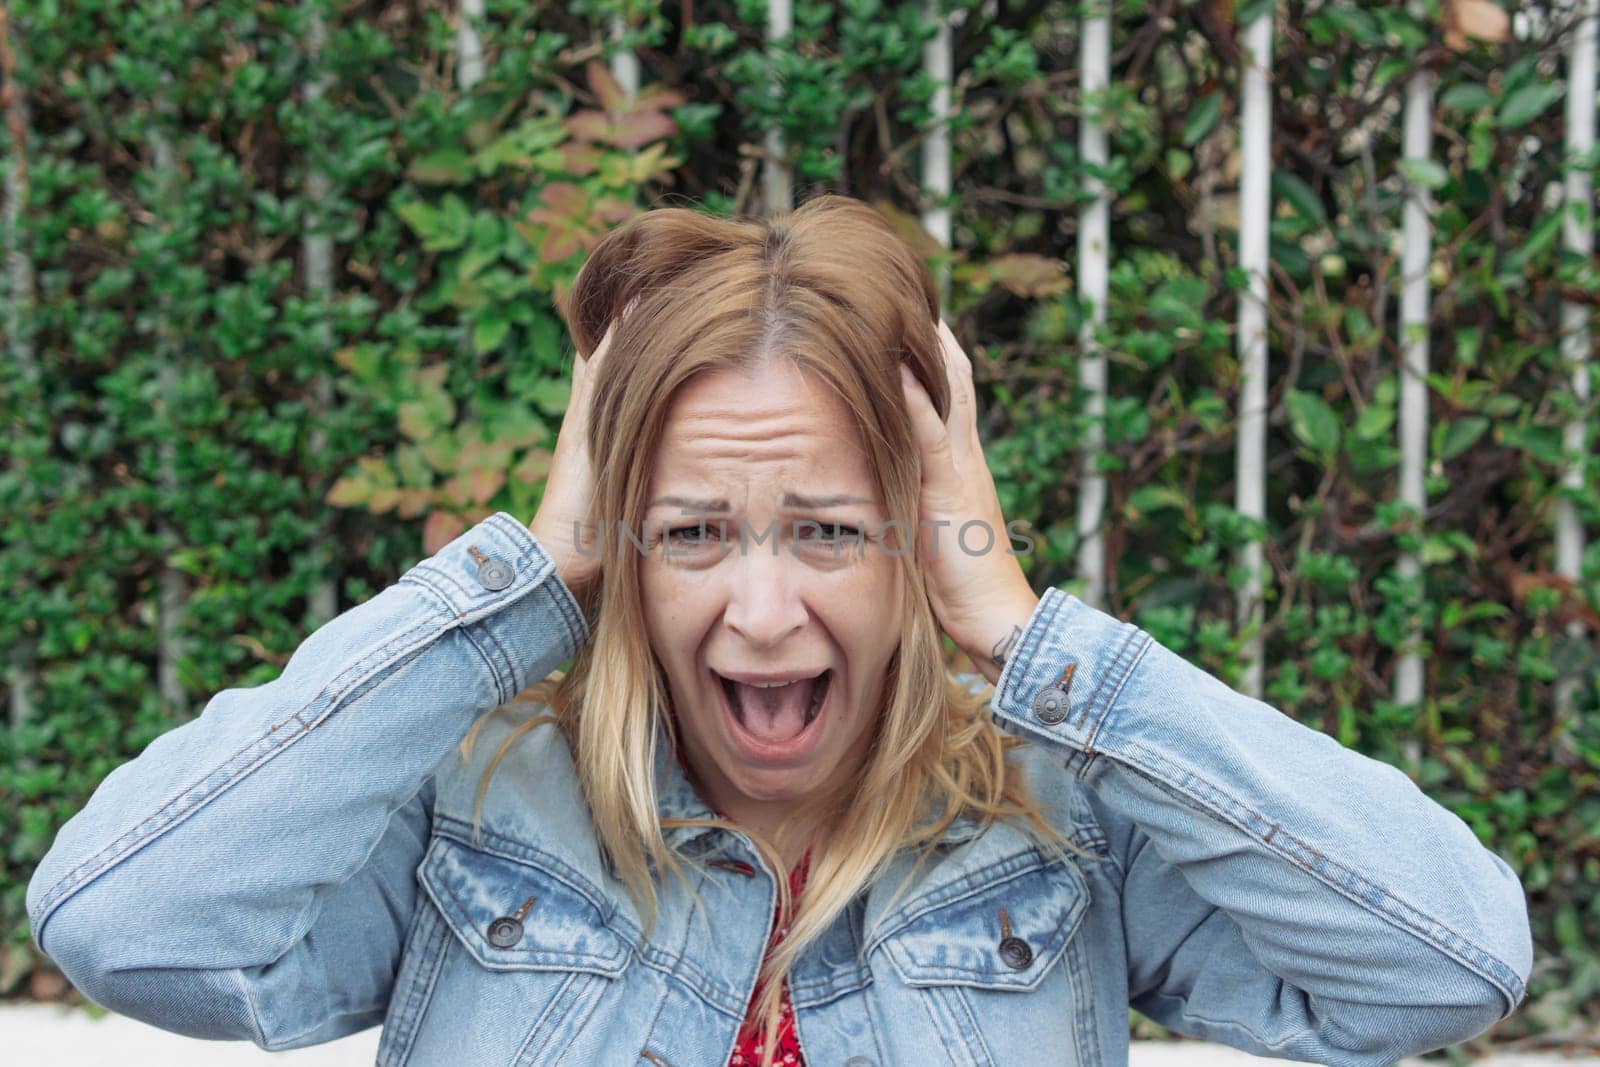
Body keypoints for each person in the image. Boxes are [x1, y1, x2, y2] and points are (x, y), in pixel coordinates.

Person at [27, 194, 1531, 1067]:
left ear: (920, 535)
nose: (759, 612)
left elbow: (1450, 962)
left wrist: (1018, 632)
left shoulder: (1065, 827)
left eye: (829, 529)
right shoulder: (472, 811)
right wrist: (536, 574)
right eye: (689, 533)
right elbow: (126, 922)